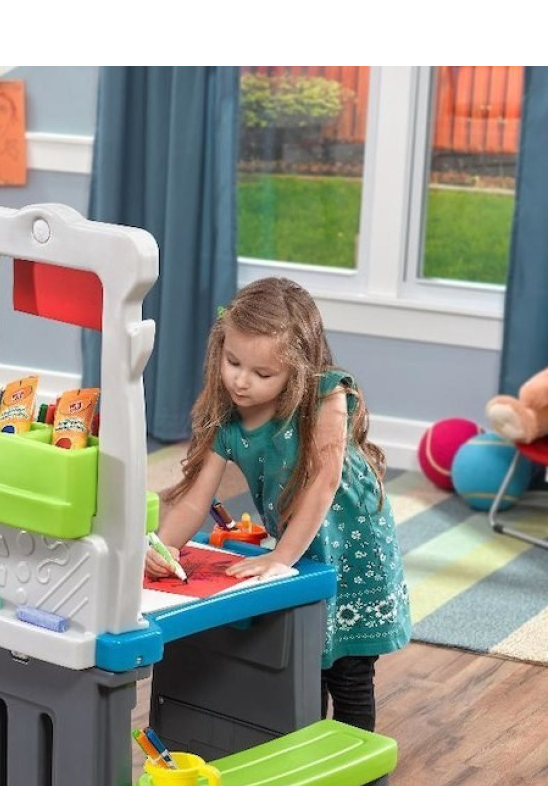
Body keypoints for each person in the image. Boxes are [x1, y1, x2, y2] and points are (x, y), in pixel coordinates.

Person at [147, 276, 411, 732]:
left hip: (353, 549)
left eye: (262, 374)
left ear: (298, 369)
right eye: (233, 362)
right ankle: (307, 763)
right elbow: (195, 499)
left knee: (348, 672)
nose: (241, 381)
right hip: (301, 543)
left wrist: (281, 557)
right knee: (305, 665)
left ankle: (350, 771)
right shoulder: (227, 417)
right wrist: (163, 546)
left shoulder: (327, 394)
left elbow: (325, 482)